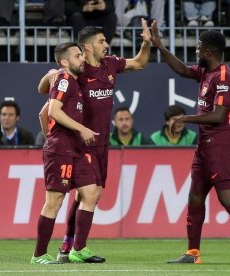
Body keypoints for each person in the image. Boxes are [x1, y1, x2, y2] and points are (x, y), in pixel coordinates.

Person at [150, 23, 230, 264]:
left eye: (198, 48)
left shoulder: (225, 76)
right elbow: (183, 71)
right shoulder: (206, 72)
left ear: (208, 51)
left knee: (227, 196)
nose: (196, 52)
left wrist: (186, 118)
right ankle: (192, 253)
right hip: (205, 144)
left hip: (221, 142)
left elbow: (219, 115)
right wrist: (160, 48)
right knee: (195, 197)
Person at [38, 19, 151, 263]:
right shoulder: (75, 72)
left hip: (102, 143)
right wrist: (50, 75)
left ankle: (69, 248)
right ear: (87, 47)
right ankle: (72, 246)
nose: (107, 45)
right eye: (102, 41)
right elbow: (47, 104)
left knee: (87, 196)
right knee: (90, 194)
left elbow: (141, 62)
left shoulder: (110, 65)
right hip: (80, 144)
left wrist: (146, 43)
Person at [31, 42, 105, 264]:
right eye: (77, 56)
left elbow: (43, 112)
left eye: (82, 55)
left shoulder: (69, 80)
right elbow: (52, 111)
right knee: (55, 200)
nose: (82, 58)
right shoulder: (64, 79)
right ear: (65, 61)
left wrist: (49, 74)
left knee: (91, 192)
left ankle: (78, 249)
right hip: (62, 149)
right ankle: (39, 255)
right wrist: (78, 130)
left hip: (75, 149)